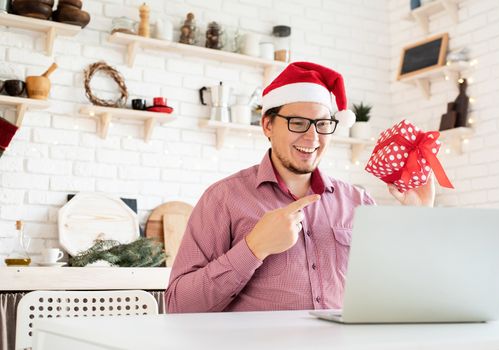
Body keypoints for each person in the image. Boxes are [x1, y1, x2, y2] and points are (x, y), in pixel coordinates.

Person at [165, 62, 435, 313]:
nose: (312, 136)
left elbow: (395, 290)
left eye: (322, 124)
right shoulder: (223, 199)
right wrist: (254, 247)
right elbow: (178, 305)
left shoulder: (357, 202)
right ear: (267, 125)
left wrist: (418, 217)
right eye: (297, 123)